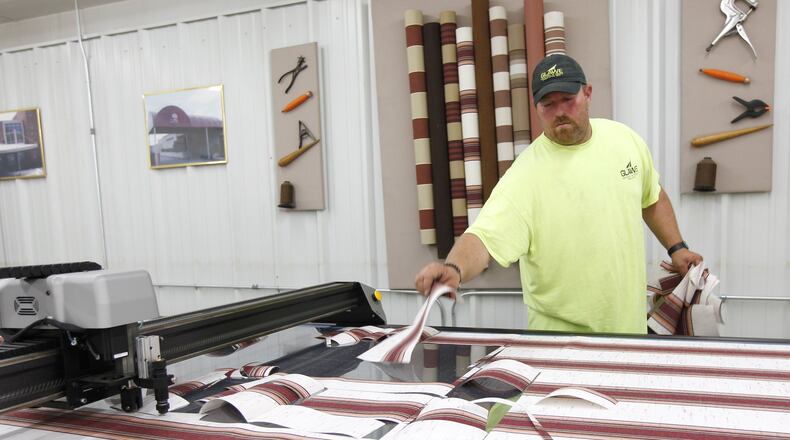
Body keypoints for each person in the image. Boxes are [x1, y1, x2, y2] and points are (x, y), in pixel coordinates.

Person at [415, 54, 702, 334]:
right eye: (548, 104)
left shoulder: (625, 140)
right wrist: (454, 268)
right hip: (561, 344)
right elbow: (483, 237)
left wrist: (677, 248)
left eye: (568, 99)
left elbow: (651, 197)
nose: (560, 111)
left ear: (587, 93)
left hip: (630, 332)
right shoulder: (525, 176)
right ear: (536, 108)